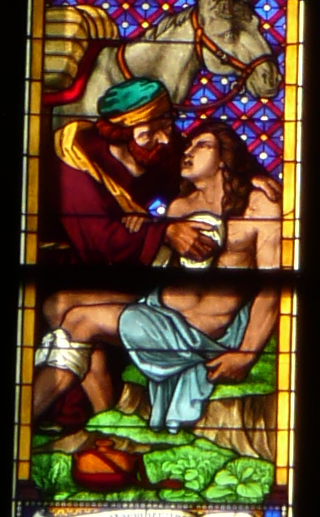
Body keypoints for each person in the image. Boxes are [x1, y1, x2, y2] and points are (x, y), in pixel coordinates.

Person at [33, 124, 282, 434]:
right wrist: (149, 228)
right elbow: (162, 264)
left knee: (80, 321)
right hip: (158, 309)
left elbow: (273, 289)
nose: (188, 151)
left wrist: (246, 354)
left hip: (196, 333)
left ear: (224, 158)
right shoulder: (179, 206)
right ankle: (105, 419)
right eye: (187, 146)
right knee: (59, 304)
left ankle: (27, 417)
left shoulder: (260, 205)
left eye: (201, 145)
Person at [42, 76, 184, 271]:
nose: (164, 139)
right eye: (147, 135)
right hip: (80, 275)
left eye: (167, 127)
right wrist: (164, 233)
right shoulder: (76, 161)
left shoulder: (168, 151)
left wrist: (151, 221)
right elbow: (101, 244)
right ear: (120, 134)